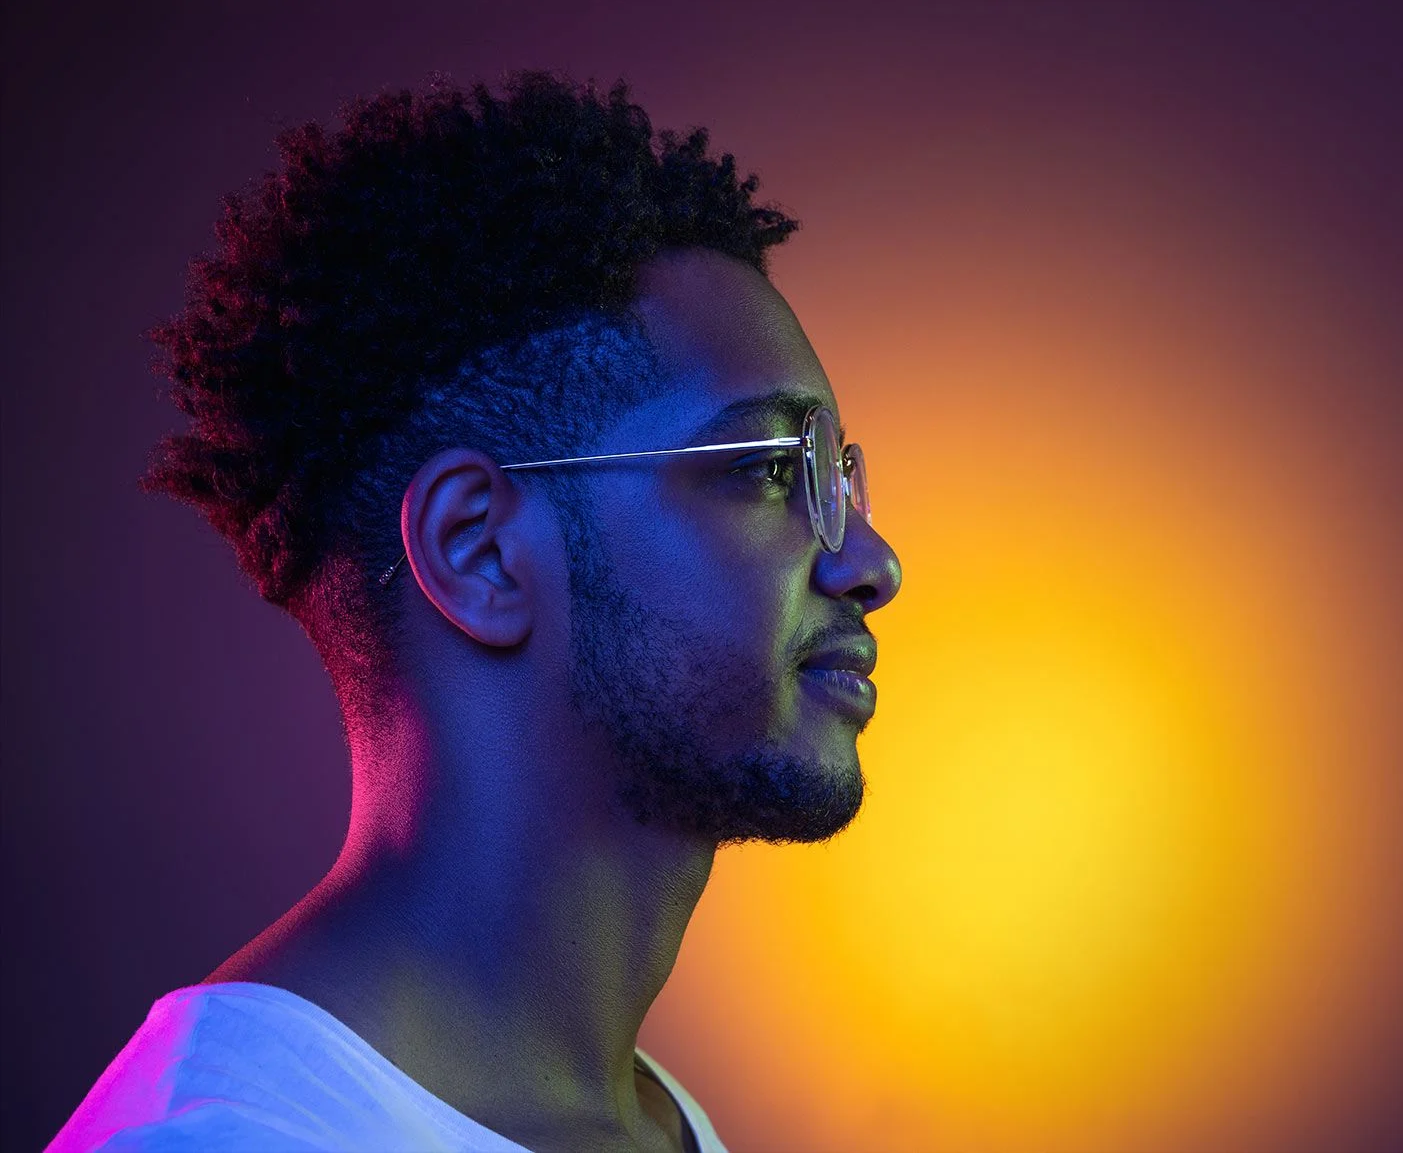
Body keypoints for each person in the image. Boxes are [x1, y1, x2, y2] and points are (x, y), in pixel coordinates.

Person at [47, 69, 901, 1153]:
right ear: (479, 552)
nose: (872, 563)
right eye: (776, 472)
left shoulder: (649, 1121)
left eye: (844, 478)